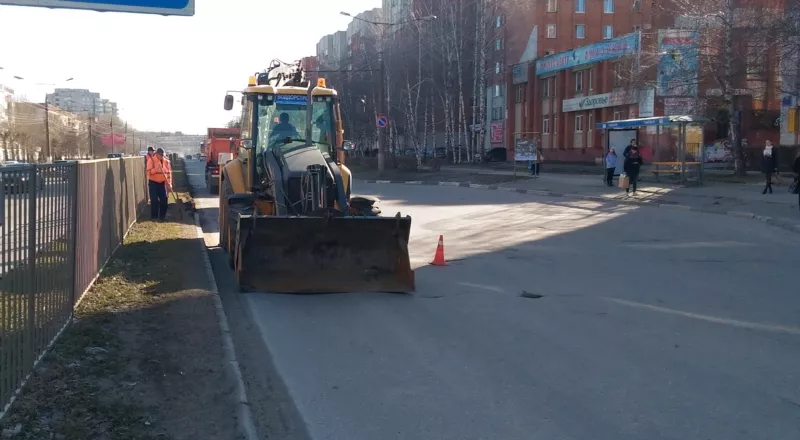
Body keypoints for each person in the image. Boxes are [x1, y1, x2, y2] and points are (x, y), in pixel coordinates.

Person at [146, 147, 172, 221]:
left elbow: (168, 174)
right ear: (157, 154)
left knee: (164, 199)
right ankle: (154, 217)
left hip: (162, 183)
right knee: (154, 200)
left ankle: (162, 216)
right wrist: (156, 168)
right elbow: (148, 173)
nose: (161, 156)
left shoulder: (166, 161)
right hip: (153, 183)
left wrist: (169, 183)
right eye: (160, 155)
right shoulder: (151, 160)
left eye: (162, 155)